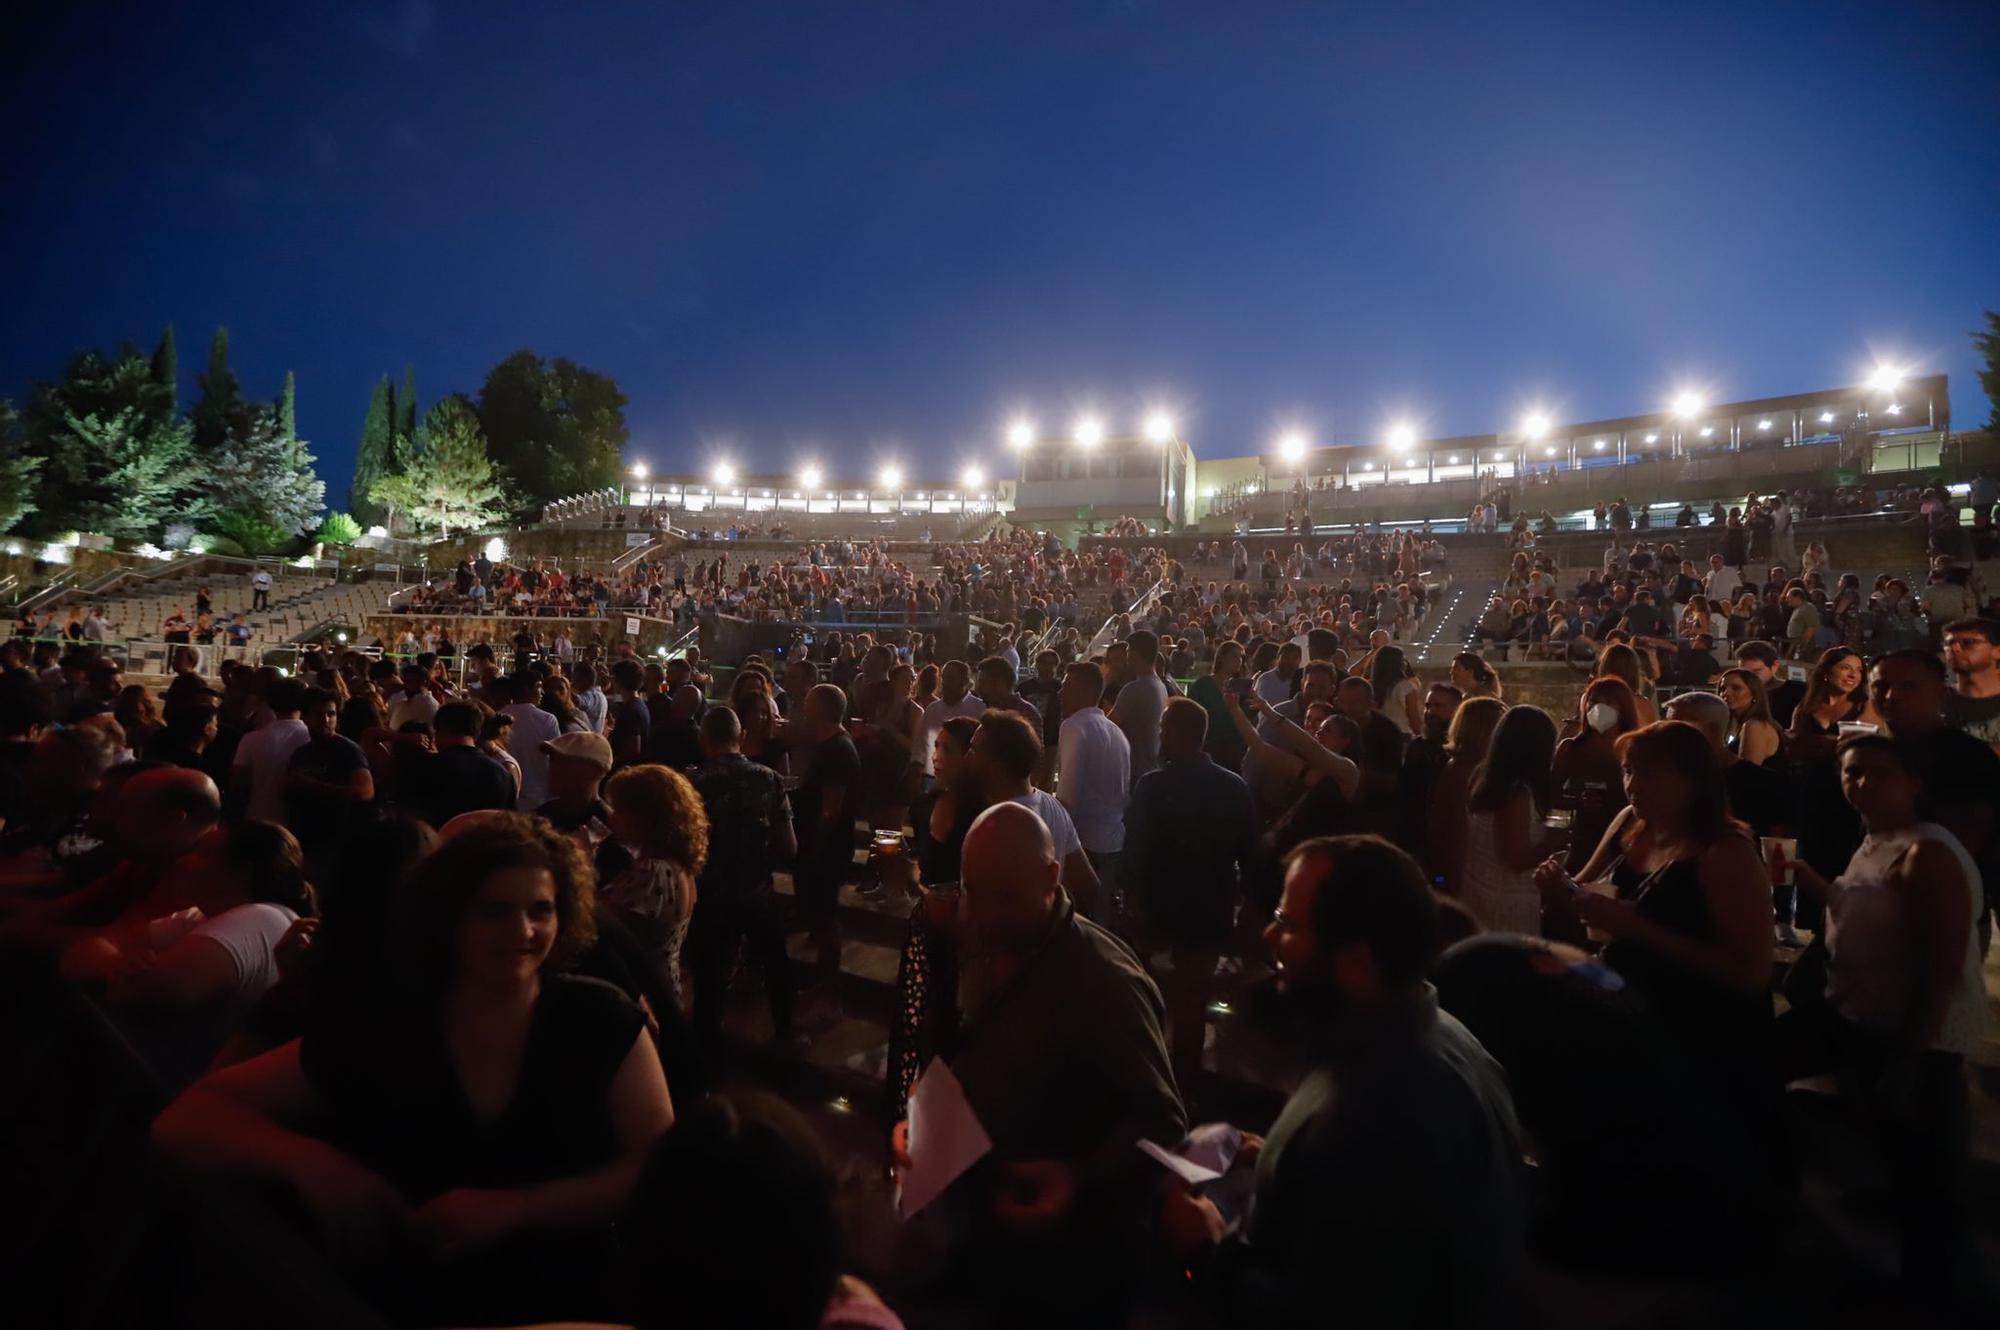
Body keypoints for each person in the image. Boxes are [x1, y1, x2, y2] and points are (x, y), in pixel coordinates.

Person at [152, 815, 675, 1327]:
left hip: (569, 1305)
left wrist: (514, 1209)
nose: (523, 931)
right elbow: (185, 1119)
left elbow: (660, 1170)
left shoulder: (600, 1021)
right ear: (448, 917)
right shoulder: (388, 1024)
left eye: (541, 910)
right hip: (402, 1302)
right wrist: (312, 1163)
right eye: (494, 911)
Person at [1161, 836, 1525, 1326]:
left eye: (1289, 925)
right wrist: (1284, 1156)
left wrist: (1205, 1251)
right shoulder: (1443, 1033)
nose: (1269, 936)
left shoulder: (1369, 1114)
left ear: (1356, 961)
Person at [894, 802, 1183, 1322]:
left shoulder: (1105, 982)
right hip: (983, 1233)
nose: (984, 913)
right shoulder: (985, 931)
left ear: (1052, 876)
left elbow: (1163, 1121)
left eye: (1004, 897)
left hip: (1064, 1260)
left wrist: (1080, 1177)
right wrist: (925, 1116)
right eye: (974, 892)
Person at [1776, 735, 1987, 1298]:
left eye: (1878, 773)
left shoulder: (1928, 853)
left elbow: (1940, 968)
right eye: (1851, 773)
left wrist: (1911, 1057)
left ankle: (1944, 1293)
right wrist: (1811, 881)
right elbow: (1862, 910)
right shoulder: (1874, 841)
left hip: (1916, 1037)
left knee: (1929, 1181)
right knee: (1899, 1162)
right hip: (1859, 1021)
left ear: (1915, 782)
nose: (1861, 783)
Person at [1540, 722, 1775, 1135]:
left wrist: (1637, 927)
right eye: (1629, 770)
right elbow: (1587, 889)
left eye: (1647, 772)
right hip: (1633, 1025)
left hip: (1700, 1040)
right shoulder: (1632, 825)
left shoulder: (1725, 852)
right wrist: (1560, 890)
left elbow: (1752, 974)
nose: (1632, 784)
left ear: (1691, 780)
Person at [1121, 696, 1260, 1088]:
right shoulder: (1234, 786)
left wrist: (1131, 899)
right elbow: (1250, 854)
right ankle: (1184, 1085)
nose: (1160, 733)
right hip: (1209, 907)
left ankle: (1145, 1078)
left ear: (1173, 733)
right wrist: (1245, 908)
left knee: (1143, 995)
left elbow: (1137, 850)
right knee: (1193, 1003)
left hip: (1157, 905)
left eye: (1164, 727)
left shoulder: (1153, 785)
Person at [1868, 649, 2000, 951]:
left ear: (1941, 692)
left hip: (1935, 916)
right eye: (1881, 686)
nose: (1891, 696)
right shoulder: (1875, 753)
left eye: (1909, 686)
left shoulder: (1966, 757)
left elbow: (1961, 843)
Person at [967, 708, 1100, 907]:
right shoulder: (1054, 807)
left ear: (997, 764)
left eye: (974, 750)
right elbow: (1089, 882)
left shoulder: (999, 824)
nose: (967, 757)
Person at [602, 763, 708, 1011]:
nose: (611, 817)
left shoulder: (653, 872)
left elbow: (597, 924)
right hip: (664, 986)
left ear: (645, 817)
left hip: (645, 995)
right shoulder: (677, 864)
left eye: (619, 809)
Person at [1460, 704, 1562, 934]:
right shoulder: (1517, 795)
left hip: (1477, 890)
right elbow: (1513, 860)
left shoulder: (1485, 777)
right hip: (1505, 902)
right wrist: (1552, 842)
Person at [791, 683, 863, 988]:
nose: (803, 706)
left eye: (808, 701)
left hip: (827, 847)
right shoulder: (828, 745)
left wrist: (813, 848)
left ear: (821, 709)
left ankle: (828, 993)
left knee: (826, 916)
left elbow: (830, 810)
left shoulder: (837, 750)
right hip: (818, 844)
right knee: (819, 913)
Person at [1055, 660, 1129, 916]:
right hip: (1114, 842)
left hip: (1084, 845)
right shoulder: (1116, 732)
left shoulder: (1074, 726)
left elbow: (1067, 797)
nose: (1060, 693)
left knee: (1079, 921)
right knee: (1102, 919)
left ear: (1084, 690)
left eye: (1066, 686)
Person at [283, 687, 374, 884]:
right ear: (304, 717)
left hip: (335, 842)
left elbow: (365, 792)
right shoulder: (303, 752)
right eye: (318, 714)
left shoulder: (347, 750)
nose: (325, 720)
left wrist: (312, 784)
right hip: (305, 839)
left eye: (330, 714)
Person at [1551, 676, 1641, 874]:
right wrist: (1577, 801)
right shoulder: (1571, 748)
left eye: (1609, 702)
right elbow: (1549, 794)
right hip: (1584, 839)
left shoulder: (1636, 749)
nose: (1599, 707)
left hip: (1627, 842)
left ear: (1623, 707)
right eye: (1594, 700)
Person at [416, 701, 520, 829]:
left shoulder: (424, 768)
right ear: (477, 732)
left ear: (440, 731)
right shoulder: (502, 774)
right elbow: (509, 825)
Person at [228, 677, 310, 824]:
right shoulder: (312, 737)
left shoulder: (251, 739)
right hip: (301, 822)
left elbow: (239, 784)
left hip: (257, 818)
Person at [1111, 629, 1169, 784]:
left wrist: (1104, 681)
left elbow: (1107, 727)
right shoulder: (1160, 686)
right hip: (1151, 766)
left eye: (1128, 651)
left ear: (1134, 654)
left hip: (1134, 771)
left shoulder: (1134, 688)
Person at [499, 673, 562, 810]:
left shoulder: (498, 718)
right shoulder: (547, 720)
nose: (542, 692)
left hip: (506, 797)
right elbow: (556, 759)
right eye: (539, 687)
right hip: (540, 797)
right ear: (526, 689)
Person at [1187, 638, 1249, 771]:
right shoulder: (1203, 685)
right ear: (1221, 657)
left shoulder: (1242, 687)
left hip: (1235, 753)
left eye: (1241, 657)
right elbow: (1189, 715)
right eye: (1234, 656)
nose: (1239, 660)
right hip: (1208, 750)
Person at [918, 659, 984, 778]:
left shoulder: (979, 709)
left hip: (965, 780)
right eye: (943, 678)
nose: (945, 682)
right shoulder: (932, 709)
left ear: (964, 681)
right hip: (932, 777)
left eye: (951, 678)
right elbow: (920, 744)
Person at [1942, 616, 2000, 752]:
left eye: (1968, 642)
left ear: (1997, 652)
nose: (1954, 648)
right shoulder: (1936, 702)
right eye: (1949, 643)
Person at [1719, 667, 1783, 766]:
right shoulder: (1737, 725)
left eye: (1736, 688)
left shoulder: (1755, 726)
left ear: (1754, 693)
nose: (1726, 694)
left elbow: (1748, 773)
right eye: (1723, 689)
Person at [1735, 640, 1805, 728]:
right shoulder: (1738, 693)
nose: (1750, 678)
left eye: (1756, 672)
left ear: (1775, 666)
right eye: (1744, 673)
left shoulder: (1799, 691)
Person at [1369, 644, 1421, 736]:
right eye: (1403, 660)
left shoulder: (1370, 687)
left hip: (1376, 734)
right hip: (1401, 734)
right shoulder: (1406, 687)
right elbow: (1414, 721)